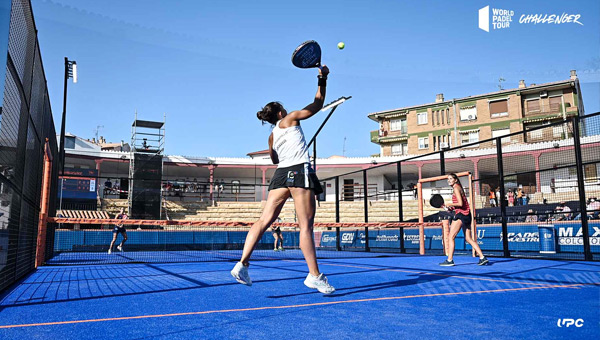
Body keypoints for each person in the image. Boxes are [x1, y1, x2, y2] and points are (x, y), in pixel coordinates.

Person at [231, 65, 335, 294]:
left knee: (263, 221)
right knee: (305, 226)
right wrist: (322, 77)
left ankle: (242, 264)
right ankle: (314, 275)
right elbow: (317, 103)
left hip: (280, 176)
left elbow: (275, 159)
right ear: (280, 113)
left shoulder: (271, 136)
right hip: (298, 171)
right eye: (284, 109)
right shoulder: (291, 118)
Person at [439, 173, 489, 266]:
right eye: (448, 179)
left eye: (450, 179)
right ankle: (482, 257)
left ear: (455, 180)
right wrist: (450, 208)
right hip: (466, 215)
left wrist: (450, 204)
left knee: (451, 237)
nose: (448, 180)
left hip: (461, 215)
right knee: (468, 238)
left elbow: (460, 203)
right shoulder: (458, 188)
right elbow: (460, 205)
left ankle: (450, 260)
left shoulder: (456, 188)